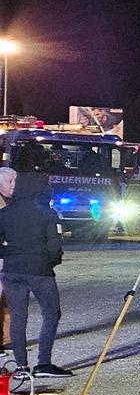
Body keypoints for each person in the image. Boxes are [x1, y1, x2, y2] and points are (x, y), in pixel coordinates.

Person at [0, 162, 66, 378]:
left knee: (18, 317)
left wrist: (9, 253)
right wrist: (50, 262)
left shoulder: (5, 213)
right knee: (51, 312)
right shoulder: (47, 214)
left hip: (11, 270)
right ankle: (43, 363)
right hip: (39, 271)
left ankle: (21, 367)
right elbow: (55, 245)